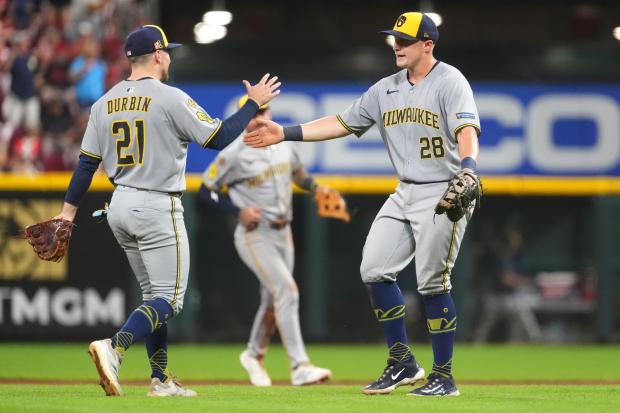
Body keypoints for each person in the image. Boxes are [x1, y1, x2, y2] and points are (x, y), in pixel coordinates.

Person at [244, 12, 481, 397]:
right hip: (404, 190)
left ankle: (443, 377)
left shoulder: (450, 81)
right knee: (374, 268)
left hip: (444, 189)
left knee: (432, 281)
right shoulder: (384, 89)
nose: (397, 46)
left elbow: (467, 130)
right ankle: (402, 362)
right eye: (395, 40)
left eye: (405, 40)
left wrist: (469, 169)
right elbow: (341, 121)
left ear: (428, 45)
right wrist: (284, 133)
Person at [52, 25, 280, 397]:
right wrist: (252, 103)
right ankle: (115, 347)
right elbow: (218, 137)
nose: (170, 56)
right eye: (168, 51)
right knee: (170, 299)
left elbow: (85, 166)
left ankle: (160, 380)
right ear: (158, 55)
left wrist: (67, 214)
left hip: (119, 207)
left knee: (153, 297)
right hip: (157, 204)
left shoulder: (103, 102)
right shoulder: (169, 97)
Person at [199, 95, 332, 386]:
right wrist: (237, 211)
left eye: (264, 110)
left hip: (284, 232)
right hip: (254, 234)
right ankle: (300, 366)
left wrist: (316, 187)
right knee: (288, 291)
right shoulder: (233, 153)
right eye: (253, 113)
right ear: (243, 117)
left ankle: (253, 354)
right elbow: (205, 190)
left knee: (273, 299)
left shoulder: (282, 142)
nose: (259, 117)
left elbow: (299, 174)